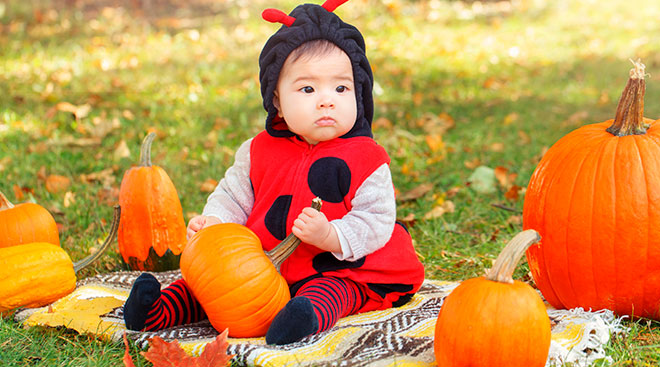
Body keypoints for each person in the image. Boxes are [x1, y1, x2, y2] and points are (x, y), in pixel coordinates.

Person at [123, 0, 425, 345]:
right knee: (212, 282)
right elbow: (233, 196)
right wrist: (215, 224)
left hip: (333, 263)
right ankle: (156, 311)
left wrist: (331, 235)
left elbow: (377, 220)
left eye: (341, 88)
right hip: (261, 265)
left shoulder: (368, 158)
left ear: (358, 92)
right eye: (307, 89)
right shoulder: (258, 150)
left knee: (333, 290)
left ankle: (304, 318)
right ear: (277, 99)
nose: (326, 100)